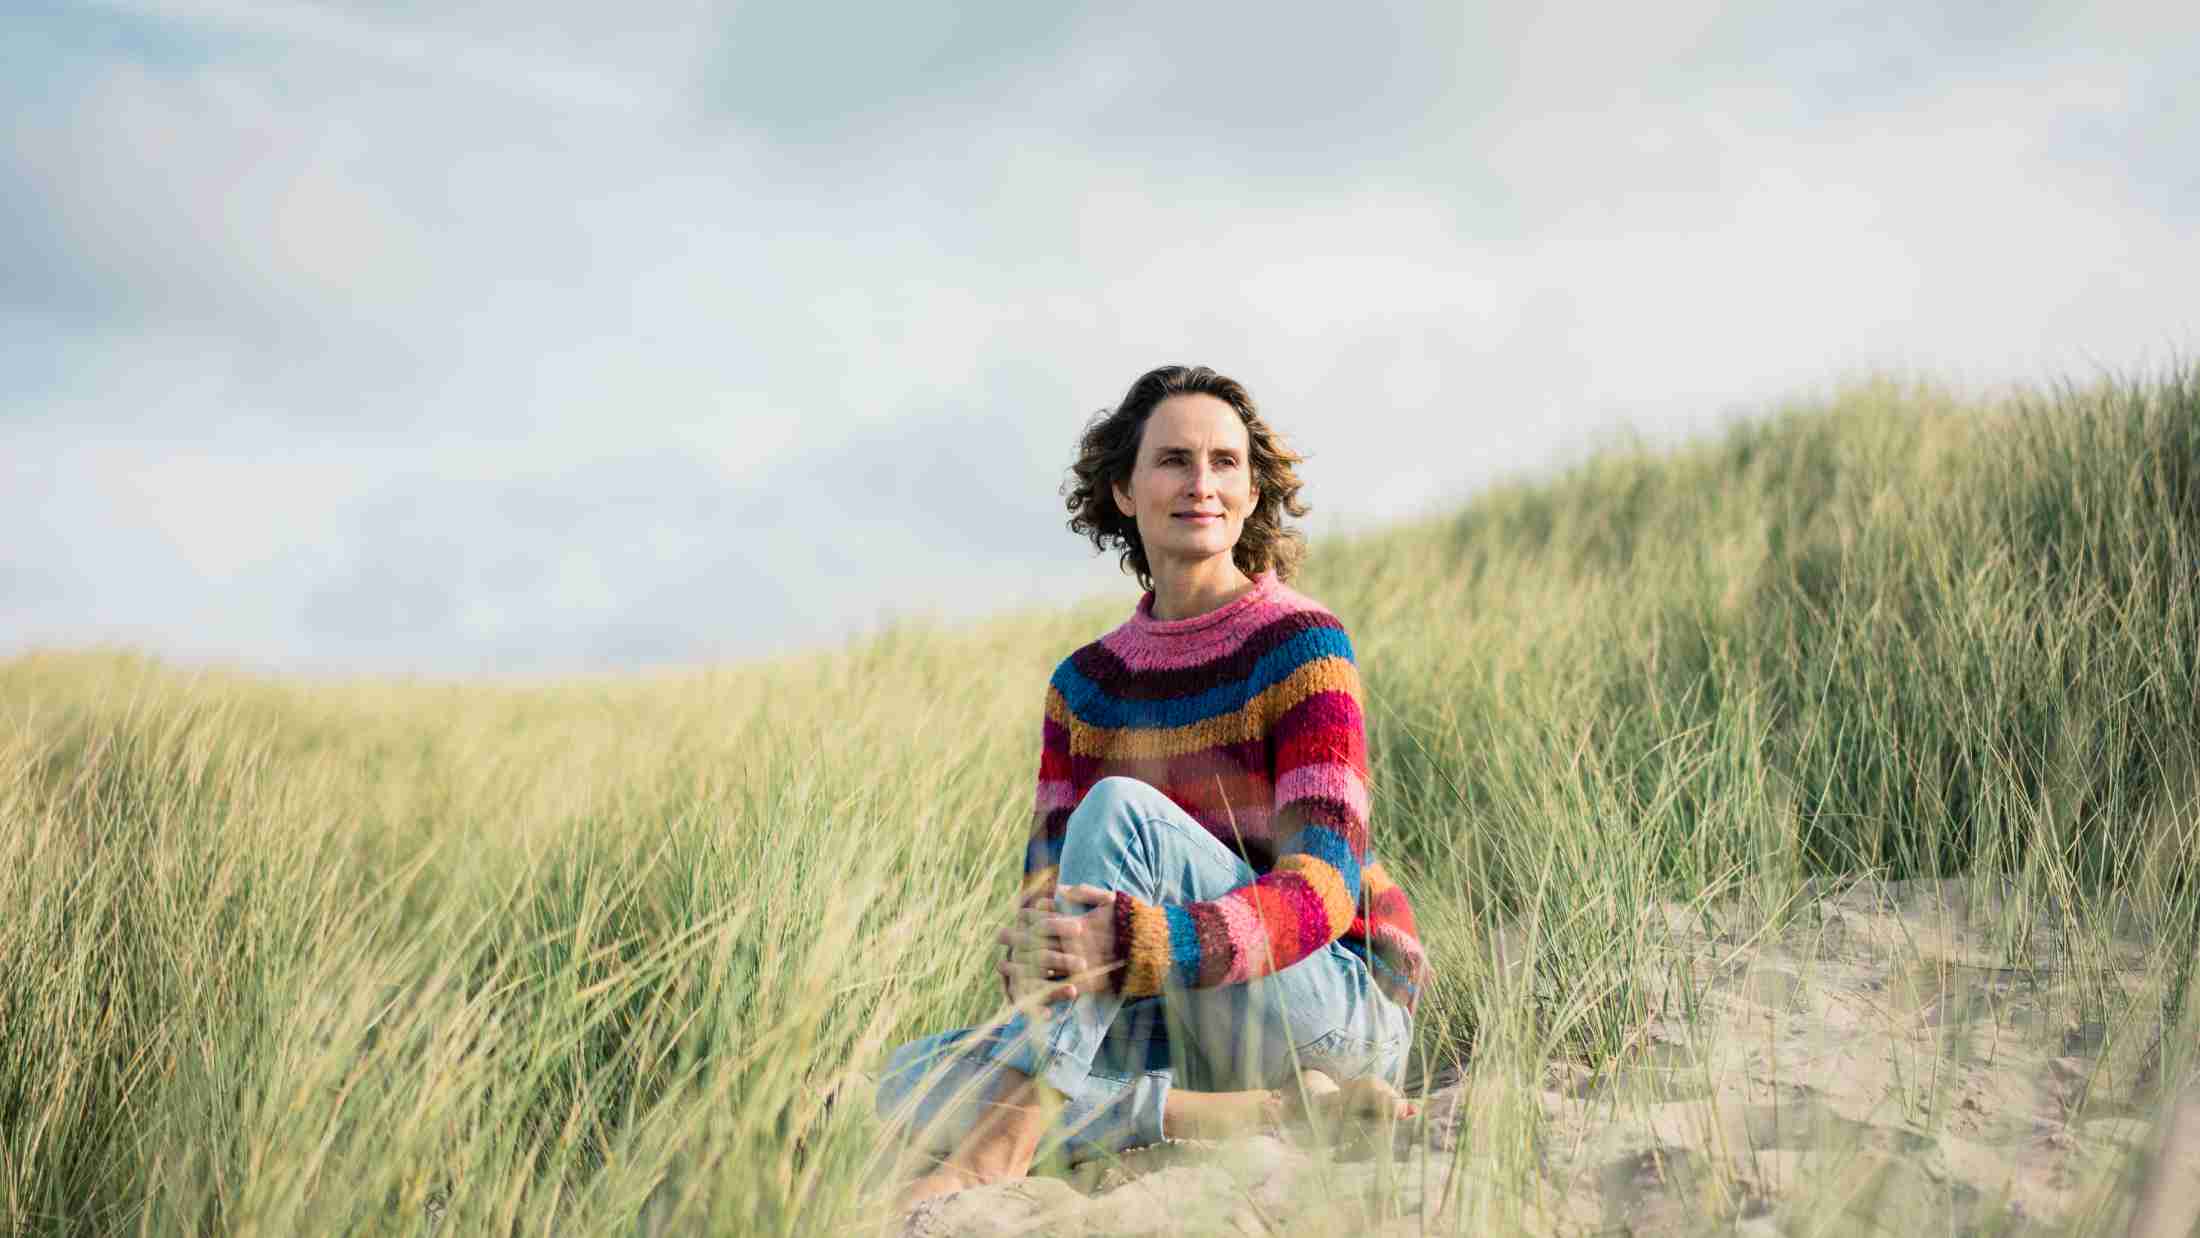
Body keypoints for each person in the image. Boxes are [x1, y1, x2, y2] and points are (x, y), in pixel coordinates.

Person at [877, 364, 1433, 1207]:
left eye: (1225, 463)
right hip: (1173, 1013)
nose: (1201, 484)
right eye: (1174, 460)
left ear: (1252, 493)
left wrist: (1144, 942)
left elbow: (1322, 889)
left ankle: (1002, 1146)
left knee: (1122, 813)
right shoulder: (1084, 686)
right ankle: (1264, 1114)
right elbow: (1053, 888)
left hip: (1330, 1006)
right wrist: (1038, 950)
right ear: (1125, 491)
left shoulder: (1305, 646)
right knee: (901, 1077)